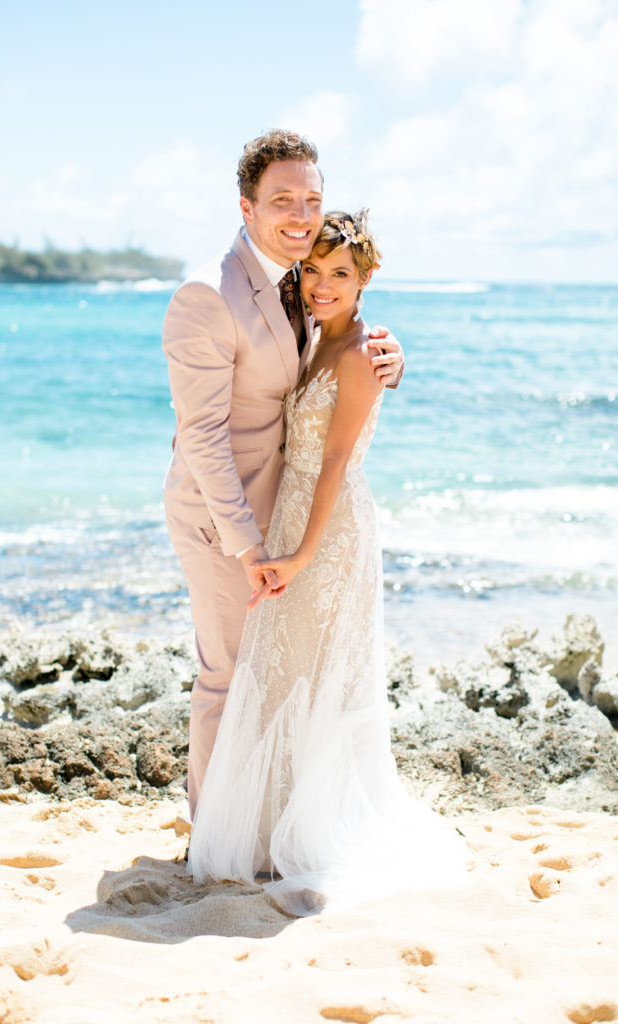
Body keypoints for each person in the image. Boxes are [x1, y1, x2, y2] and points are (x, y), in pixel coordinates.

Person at [188, 210, 469, 916]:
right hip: (293, 516)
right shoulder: (319, 336)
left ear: (365, 277)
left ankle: (311, 834)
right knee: (287, 675)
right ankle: (278, 830)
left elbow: (337, 461)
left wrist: (304, 552)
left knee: (319, 679)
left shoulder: (357, 353)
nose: (319, 284)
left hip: (329, 528)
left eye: (338, 273)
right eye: (311, 270)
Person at [163, 130, 404, 818]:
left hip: (287, 511)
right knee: (229, 675)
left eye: (311, 198)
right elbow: (202, 438)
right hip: (220, 516)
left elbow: (336, 352)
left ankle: (266, 825)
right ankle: (212, 843)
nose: (300, 213)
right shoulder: (206, 295)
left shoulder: (299, 281)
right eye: (282, 200)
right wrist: (248, 545)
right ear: (247, 208)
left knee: (279, 675)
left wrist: (388, 359)